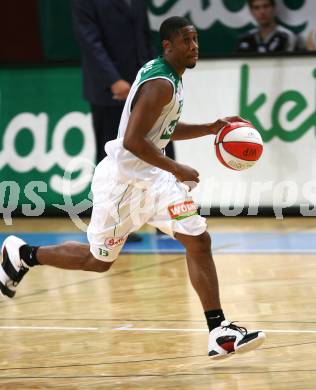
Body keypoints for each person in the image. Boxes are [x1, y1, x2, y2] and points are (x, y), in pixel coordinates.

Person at [0, 17, 265, 359]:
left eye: (196, 40)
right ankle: (23, 255)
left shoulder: (170, 78)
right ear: (168, 45)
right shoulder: (161, 84)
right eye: (187, 41)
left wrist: (211, 128)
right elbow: (133, 140)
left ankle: (219, 331)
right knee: (98, 261)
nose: (194, 46)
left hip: (154, 181)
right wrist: (177, 166)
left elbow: (162, 131)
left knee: (198, 239)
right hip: (124, 184)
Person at [72, 0, 175, 164]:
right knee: (112, 158)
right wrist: (113, 80)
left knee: (163, 150)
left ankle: (168, 188)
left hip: (146, 86)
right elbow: (91, 44)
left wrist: (159, 72)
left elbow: (144, 37)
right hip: (110, 93)